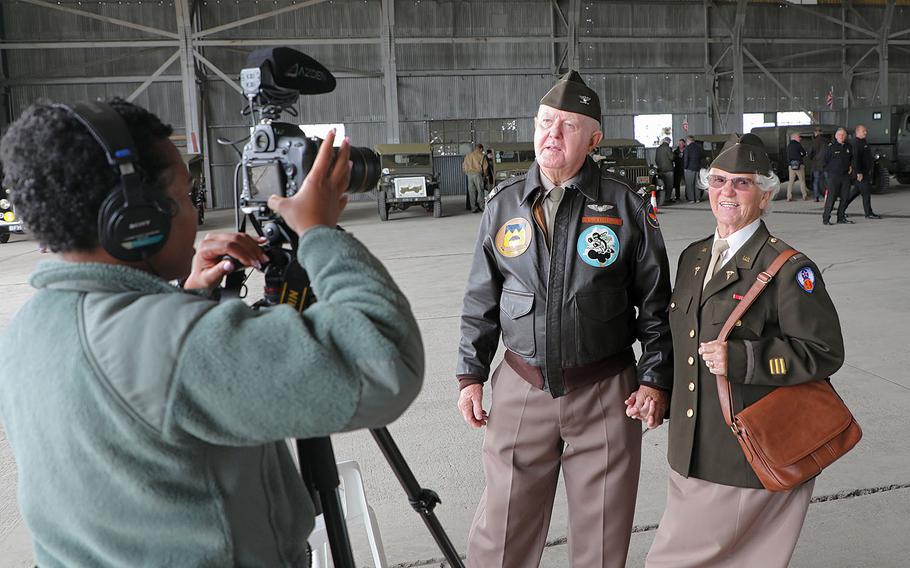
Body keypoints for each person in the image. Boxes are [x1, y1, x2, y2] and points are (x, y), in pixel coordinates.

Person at [0, 99, 424, 566]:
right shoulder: (175, 341)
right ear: (135, 218)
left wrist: (184, 300)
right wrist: (319, 233)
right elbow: (384, 362)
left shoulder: (28, 330)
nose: (194, 214)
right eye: (184, 197)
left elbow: (143, 399)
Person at [456, 70, 673, 568]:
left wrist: (656, 379)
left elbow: (657, 304)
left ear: (593, 139)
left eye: (567, 126)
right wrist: (470, 374)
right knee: (501, 533)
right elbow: (480, 298)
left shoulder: (626, 205)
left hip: (605, 389)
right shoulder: (503, 203)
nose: (552, 135)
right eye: (545, 123)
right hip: (519, 385)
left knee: (600, 536)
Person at [644, 134, 845, 568]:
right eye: (718, 181)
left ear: (767, 195)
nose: (727, 192)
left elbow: (823, 351)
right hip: (690, 447)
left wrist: (745, 359)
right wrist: (657, 389)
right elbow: (681, 340)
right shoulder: (694, 257)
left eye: (742, 183)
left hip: (744, 454)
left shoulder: (790, 269)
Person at [846, 124, 881, 219]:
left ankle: (841, 210)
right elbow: (855, 159)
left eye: (866, 131)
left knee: (853, 194)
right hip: (861, 174)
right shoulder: (856, 143)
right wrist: (858, 172)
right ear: (857, 132)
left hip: (865, 173)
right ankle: (868, 213)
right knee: (866, 193)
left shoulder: (863, 142)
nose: (866, 132)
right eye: (863, 131)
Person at [822, 127, 853, 225]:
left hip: (845, 176)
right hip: (833, 176)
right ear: (836, 136)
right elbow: (824, 161)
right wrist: (830, 171)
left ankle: (841, 217)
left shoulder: (848, 147)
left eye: (843, 135)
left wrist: (851, 167)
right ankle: (826, 218)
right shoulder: (831, 147)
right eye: (839, 134)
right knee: (832, 197)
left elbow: (852, 159)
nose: (841, 136)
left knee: (845, 197)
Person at [463, 143, 487, 213]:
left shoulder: (468, 156)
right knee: (480, 190)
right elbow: (485, 168)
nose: (482, 151)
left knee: (471, 192)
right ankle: (482, 207)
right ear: (481, 149)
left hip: (469, 175)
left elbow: (463, 166)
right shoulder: (482, 156)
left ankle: (473, 208)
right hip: (477, 174)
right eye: (482, 150)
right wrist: (485, 176)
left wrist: (467, 173)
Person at [785, 132, 809, 201]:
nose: (800, 138)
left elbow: (788, 156)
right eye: (799, 137)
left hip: (791, 166)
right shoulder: (798, 145)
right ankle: (804, 195)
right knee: (802, 181)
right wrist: (801, 156)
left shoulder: (789, 145)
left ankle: (789, 196)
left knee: (791, 181)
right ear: (794, 137)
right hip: (799, 165)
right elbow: (804, 153)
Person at [807, 126, 827, 202]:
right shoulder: (827, 141)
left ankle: (816, 197)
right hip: (826, 165)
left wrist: (813, 158)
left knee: (816, 181)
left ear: (815, 133)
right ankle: (828, 196)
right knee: (828, 181)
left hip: (816, 165)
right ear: (821, 133)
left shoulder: (813, 142)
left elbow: (810, 154)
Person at [683, 135, 702, 203]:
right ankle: (697, 199)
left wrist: (685, 167)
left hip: (689, 168)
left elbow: (686, 159)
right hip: (697, 168)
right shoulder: (698, 148)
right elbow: (701, 158)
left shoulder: (687, 148)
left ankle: (691, 199)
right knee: (697, 184)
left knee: (689, 184)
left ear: (688, 141)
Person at [655, 136, 674, 206]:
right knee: (669, 185)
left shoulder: (658, 149)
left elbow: (656, 160)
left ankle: (661, 199)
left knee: (662, 185)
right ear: (668, 142)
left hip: (661, 169)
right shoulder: (668, 148)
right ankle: (667, 199)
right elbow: (672, 157)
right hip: (669, 169)